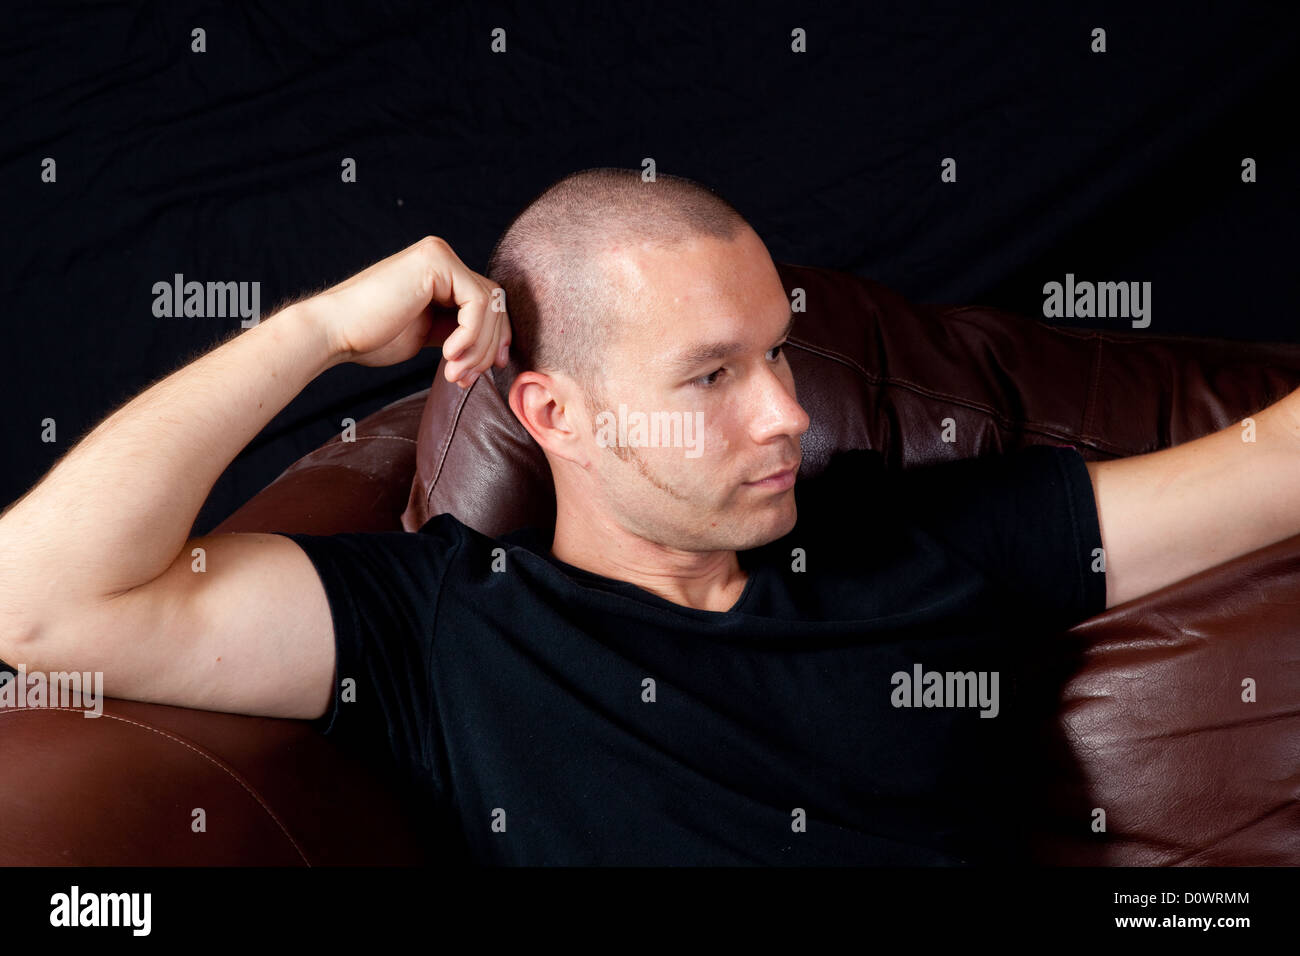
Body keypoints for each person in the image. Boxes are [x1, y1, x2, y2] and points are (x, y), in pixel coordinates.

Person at [3, 168, 1300, 865]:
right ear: (555, 418)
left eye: (779, 355)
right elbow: (37, 605)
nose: (789, 413)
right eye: (713, 376)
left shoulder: (926, 539)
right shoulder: (441, 626)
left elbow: (1271, 466)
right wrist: (316, 332)